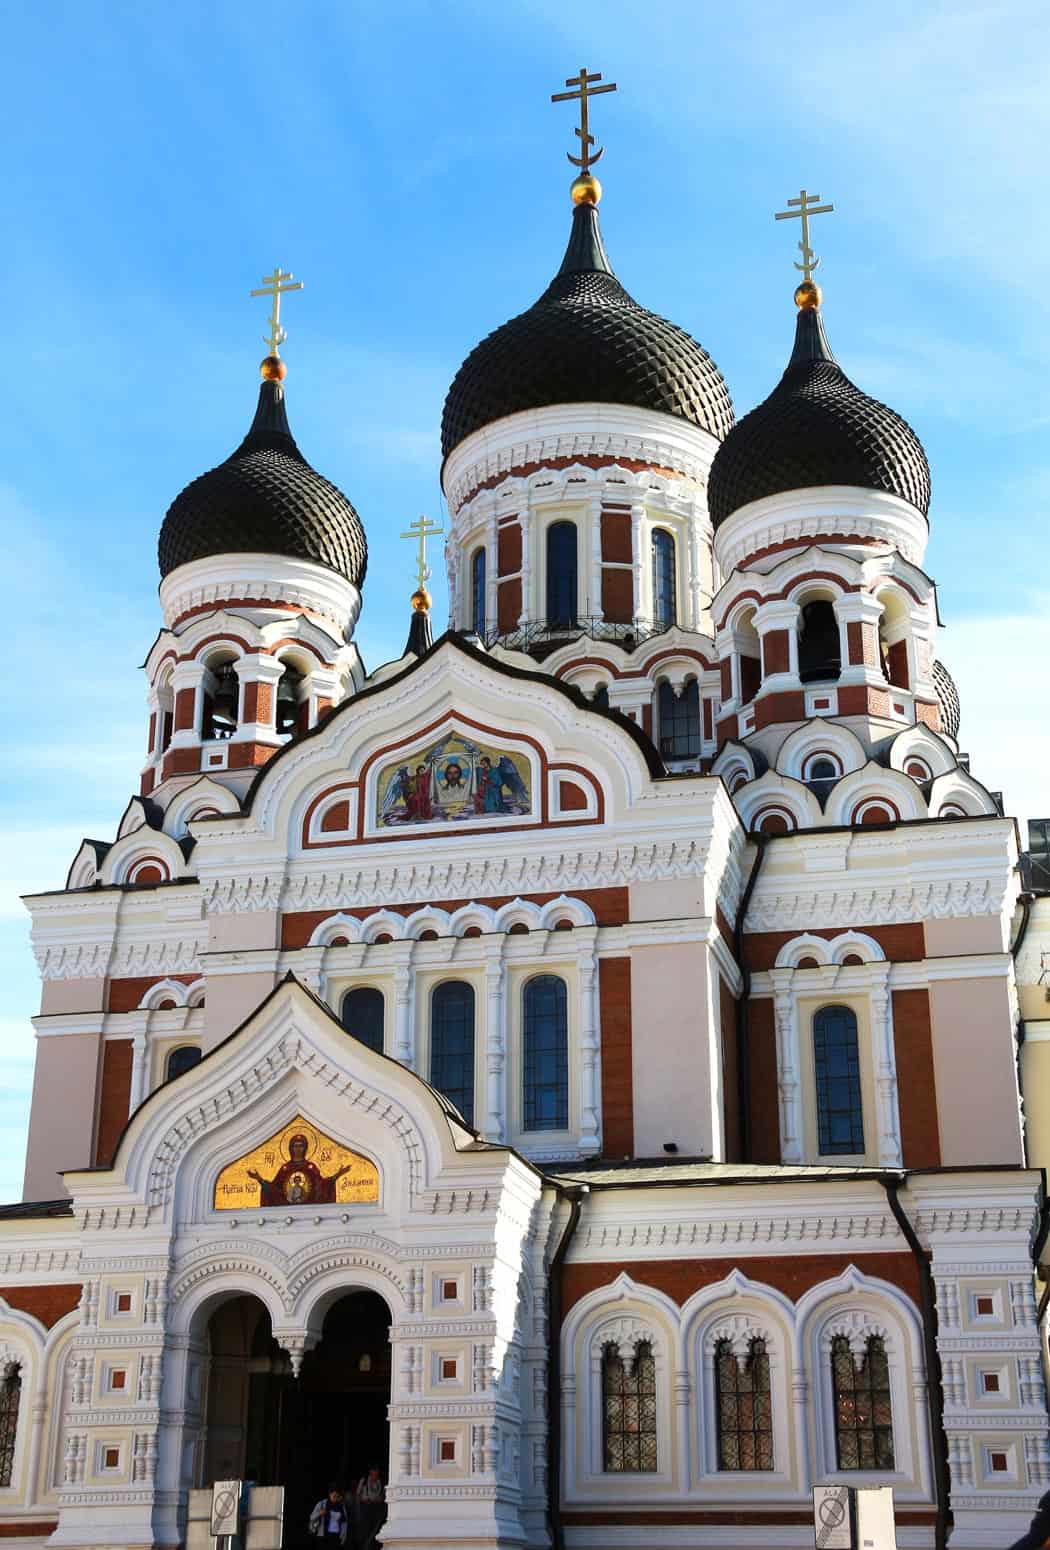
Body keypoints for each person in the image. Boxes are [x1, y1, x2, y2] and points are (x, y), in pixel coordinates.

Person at [353, 1466, 386, 1549]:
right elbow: (357, 1495)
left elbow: (384, 1496)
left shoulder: (381, 1482)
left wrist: (381, 1499)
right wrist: (363, 1500)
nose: (375, 1475)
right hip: (365, 1507)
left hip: (377, 1508)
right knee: (365, 1529)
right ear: (370, 1472)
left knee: (375, 1529)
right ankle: (364, 1546)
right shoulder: (364, 1481)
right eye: (373, 1473)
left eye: (377, 1474)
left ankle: (371, 1546)